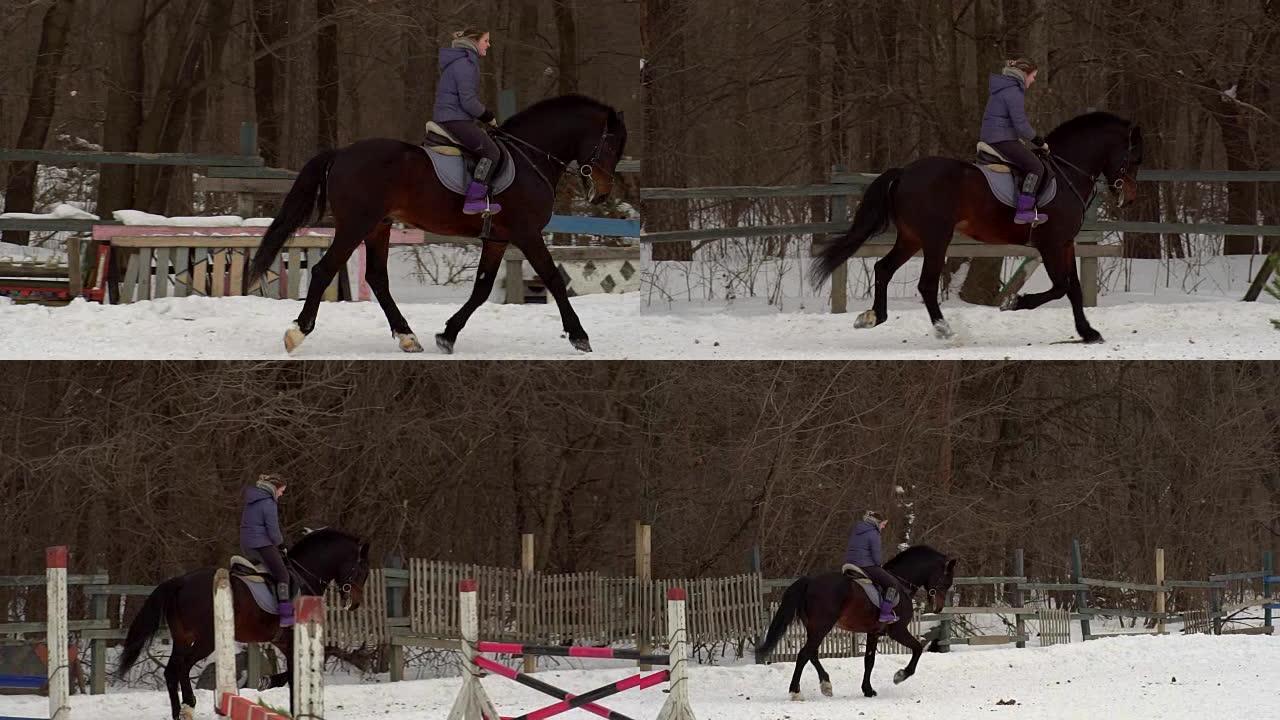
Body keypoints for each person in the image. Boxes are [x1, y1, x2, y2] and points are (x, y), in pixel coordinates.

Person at [434, 28, 503, 216]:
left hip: (453, 116)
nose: (488, 44)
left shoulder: (462, 61)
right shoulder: (465, 64)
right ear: (474, 40)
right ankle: (474, 200)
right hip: (454, 118)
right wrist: (488, 116)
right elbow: (468, 101)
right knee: (491, 152)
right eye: (486, 40)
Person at [979, 58, 1048, 225]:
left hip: (997, 136)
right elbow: (1021, 124)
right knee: (1036, 167)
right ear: (1024, 74)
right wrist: (1040, 142)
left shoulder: (1006, 87)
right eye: (1033, 76)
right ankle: (1024, 211)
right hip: (1000, 138)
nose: (1033, 80)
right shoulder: (1013, 91)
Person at [240, 473, 293, 627]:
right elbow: (273, 529)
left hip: (247, 544)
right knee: (282, 574)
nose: (281, 494)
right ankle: (285, 615)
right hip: (261, 544)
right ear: (274, 488)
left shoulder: (253, 499)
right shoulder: (268, 503)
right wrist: (281, 545)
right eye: (281, 491)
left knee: (268, 571)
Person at [843, 510, 900, 624]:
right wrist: (880, 565)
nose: (883, 527)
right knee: (892, 584)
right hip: (865, 565)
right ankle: (885, 613)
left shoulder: (857, 530)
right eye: (883, 524)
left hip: (849, 563)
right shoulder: (874, 533)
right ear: (877, 522)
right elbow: (876, 556)